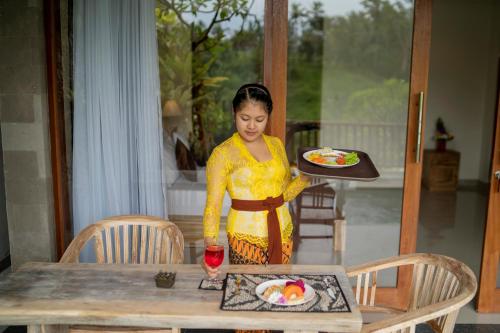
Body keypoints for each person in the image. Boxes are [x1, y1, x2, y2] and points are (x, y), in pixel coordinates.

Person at [202, 83, 311, 277]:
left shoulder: (276, 145)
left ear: (268, 117)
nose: (252, 126)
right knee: (247, 291)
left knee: (278, 292)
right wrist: (210, 246)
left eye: (259, 119)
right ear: (234, 113)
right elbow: (213, 206)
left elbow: (284, 193)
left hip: (282, 231)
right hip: (245, 239)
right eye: (245, 118)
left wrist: (306, 176)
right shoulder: (222, 154)